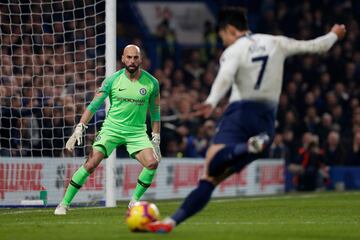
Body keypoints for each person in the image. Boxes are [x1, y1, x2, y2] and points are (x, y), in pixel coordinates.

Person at [146, 7, 346, 233]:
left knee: (210, 172)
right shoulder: (276, 42)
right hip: (267, 120)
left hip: (240, 113)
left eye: (222, 36)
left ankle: (244, 147)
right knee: (213, 178)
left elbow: (226, 76)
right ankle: (171, 222)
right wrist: (334, 35)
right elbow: (315, 46)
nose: (223, 41)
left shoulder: (234, 51)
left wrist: (211, 101)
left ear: (230, 30)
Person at [54, 45, 161, 215]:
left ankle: (134, 202)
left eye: (135, 58)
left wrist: (155, 138)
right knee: (91, 164)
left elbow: (155, 113)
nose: (132, 61)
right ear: (123, 59)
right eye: (129, 57)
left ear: (140, 59)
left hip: (137, 131)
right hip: (112, 128)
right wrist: (80, 127)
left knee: (152, 163)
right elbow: (94, 105)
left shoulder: (152, 83)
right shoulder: (112, 80)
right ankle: (64, 204)